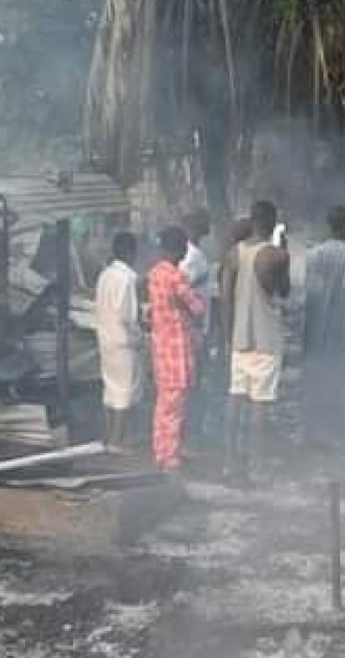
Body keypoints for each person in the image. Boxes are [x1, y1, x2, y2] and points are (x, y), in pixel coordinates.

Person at [220, 201, 291, 480]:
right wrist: (284, 251)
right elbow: (283, 291)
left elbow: (225, 298)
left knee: (235, 400)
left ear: (251, 221)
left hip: (239, 338)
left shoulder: (233, 254)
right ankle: (257, 466)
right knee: (260, 405)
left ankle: (229, 463)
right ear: (272, 222)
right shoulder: (275, 256)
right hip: (266, 339)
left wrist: (229, 337)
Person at [301, 205, 345, 452]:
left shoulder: (312, 256)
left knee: (317, 384)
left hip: (315, 334)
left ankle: (315, 438)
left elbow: (310, 293)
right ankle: (344, 440)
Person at [147, 227, 206, 472]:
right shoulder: (175, 276)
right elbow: (197, 308)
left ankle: (163, 449)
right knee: (174, 405)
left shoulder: (154, 273)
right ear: (180, 249)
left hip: (161, 346)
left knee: (164, 403)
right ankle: (168, 455)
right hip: (177, 349)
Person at [95, 231, 143, 452]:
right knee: (124, 391)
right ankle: (117, 440)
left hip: (106, 339)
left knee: (110, 390)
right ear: (130, 252)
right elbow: (128, 316)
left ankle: (109, 436)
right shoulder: (128, 278)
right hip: (123, 341)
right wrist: (139, 335)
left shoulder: (104, 275)